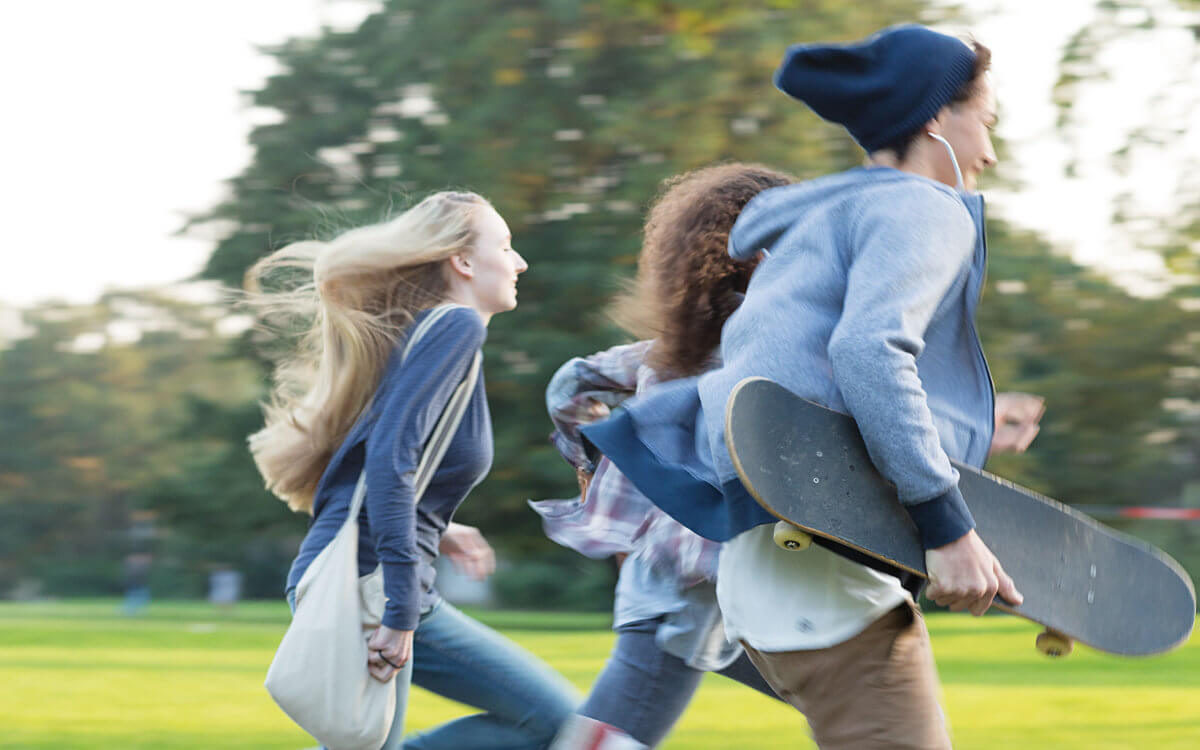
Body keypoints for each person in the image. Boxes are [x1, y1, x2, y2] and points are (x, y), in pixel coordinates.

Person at [581, 25, 1037, 749]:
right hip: (825, 584)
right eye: (985, 118)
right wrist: (948, 531)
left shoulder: (819, 218)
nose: (989, 147)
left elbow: (814, 370)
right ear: (934, 119)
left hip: (763, 575)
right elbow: (868, 351)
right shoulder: (924, 207)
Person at [247, 191, 579, 750]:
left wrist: (439, 527)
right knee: (555, 720)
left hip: (374, 577)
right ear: (463, 262)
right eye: (505, 246)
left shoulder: (430, 333)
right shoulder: (455, 326)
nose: (519, 261)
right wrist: (400, 610)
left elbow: (376, 463)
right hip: (376, 586)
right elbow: (389, 460)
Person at [533, 164, 793, 749]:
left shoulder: (677, 349)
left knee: (861, 698)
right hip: (686, 592)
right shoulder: (759, 345)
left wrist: (597, 481)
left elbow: (571, 384)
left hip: (711, 589)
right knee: (607, 740)